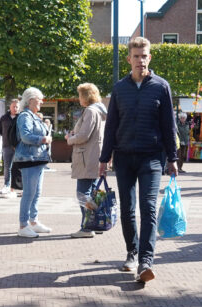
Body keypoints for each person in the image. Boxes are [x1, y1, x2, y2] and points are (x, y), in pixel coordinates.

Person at [98, 36, 178, 283]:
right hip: (123, 158)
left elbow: (168, 125)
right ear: (129, 59)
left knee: (149, 207)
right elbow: (111, 125)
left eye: (144, 56)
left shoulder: (161, 87)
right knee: (127, 209)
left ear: (149, 58)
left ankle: (146, 260)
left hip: (151, 158)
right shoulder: (119, 88)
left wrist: (173, 158)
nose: (140, 60)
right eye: (136, 56)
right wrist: (104, 158)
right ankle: (131, 253)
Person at [67, 83, 107, 238]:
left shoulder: (90, 111)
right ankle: (97, 223)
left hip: (86, 157)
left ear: (85, 96)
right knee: (90, 192)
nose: (78, 98)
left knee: (83, 193)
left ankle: (87, 228)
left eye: (80, 95)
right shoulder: (100, 110)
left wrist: (70, 139)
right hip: (94, 155)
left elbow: (84, 136)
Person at [14, 88, 53, 238]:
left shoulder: (33, 116)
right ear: (31, 100)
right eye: (39, 99)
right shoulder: (25, 116)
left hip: (38, 159)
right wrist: (43, 139)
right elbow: (25, 136)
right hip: (29, 159)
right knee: (29, 193)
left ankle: (34, 222)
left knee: (36, 193)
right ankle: (23, 225)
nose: (42, 101)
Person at [0, 99, 20, 196]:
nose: (15, 108)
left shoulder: (21, 117)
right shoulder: (4, 118)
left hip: (18, 147)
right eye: (13, 106)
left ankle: (16, 186)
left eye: (17, 107)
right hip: (6, 146)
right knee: (7, 167)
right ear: (10, 107)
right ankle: (7, 185)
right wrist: (7, 137)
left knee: (18, 167)